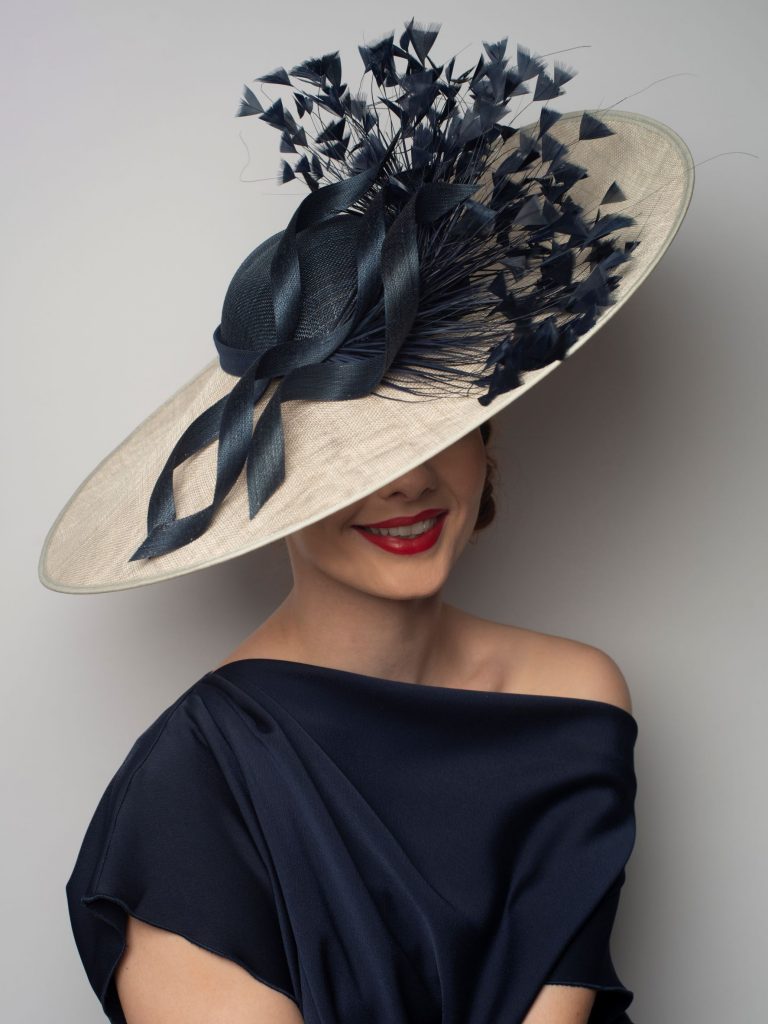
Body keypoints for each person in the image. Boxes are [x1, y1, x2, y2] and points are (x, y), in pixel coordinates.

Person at [46, 20, 694, 1024]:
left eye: (436, 431)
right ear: (265, 483)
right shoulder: (197, 787)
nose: (409, 483)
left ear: (487, 440)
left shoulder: (572, 698)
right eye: (351, 455)